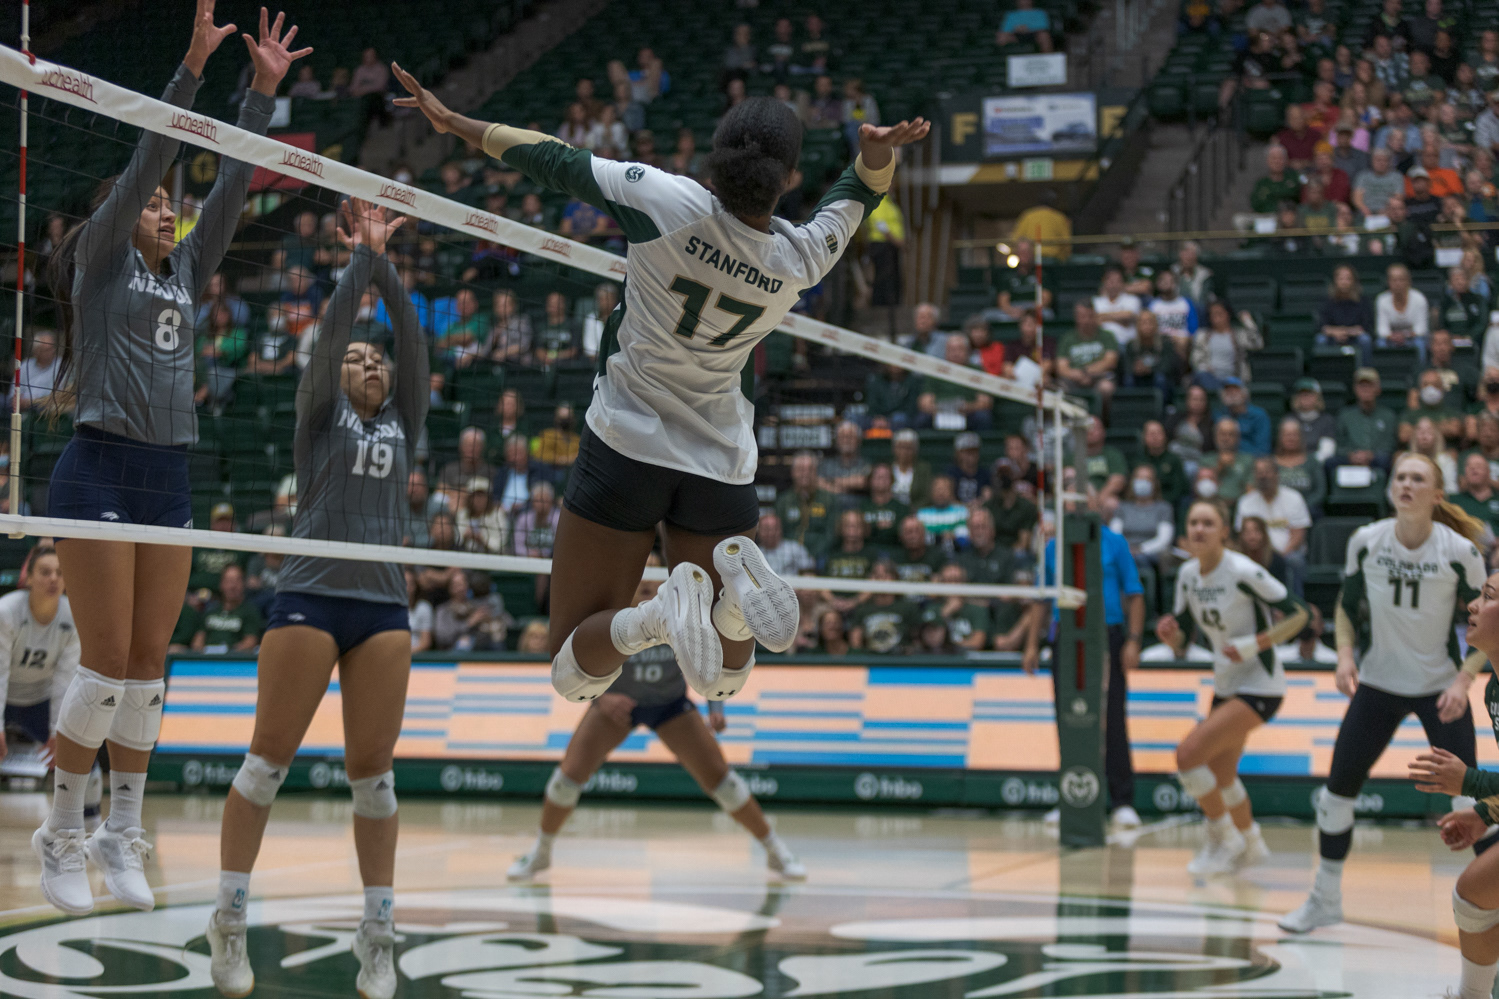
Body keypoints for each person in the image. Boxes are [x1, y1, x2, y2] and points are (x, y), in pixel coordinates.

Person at [396, 71, 929, 701]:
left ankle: (650, 619)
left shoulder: (664, 201)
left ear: (717, 155)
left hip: (626, 443)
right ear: (788, 180)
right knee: (727, 681)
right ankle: (729, 607)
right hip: (720, 461)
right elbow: (858, 194)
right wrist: (874, 148)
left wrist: (454, 122)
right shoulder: (800, 259)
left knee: (572, 672)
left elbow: (550, 158)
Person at [34, 1, 307, 919]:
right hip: (100, 467)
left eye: (164, 206)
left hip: (168, 475)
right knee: (104, 669)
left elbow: (227, 187)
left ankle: (121, 832)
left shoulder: (183, 276)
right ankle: (61, 832)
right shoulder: (100, 262)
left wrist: (260, 92)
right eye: (148, 200)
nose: (162, 207)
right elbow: (156, 156)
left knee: (149, 672)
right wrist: (191, 72)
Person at [206, 199, 424, 999]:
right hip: (308, 594)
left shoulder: (406, 416)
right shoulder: (317, 416)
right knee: (267, 764)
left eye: (378, 359)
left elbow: (415, 344)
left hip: (382, 609)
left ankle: (378, 934)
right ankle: (228, 916)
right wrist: (358, 263)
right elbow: (333, 333)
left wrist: (386, 263)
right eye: (357, 357)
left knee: (375, 777)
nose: (369, 362)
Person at [1280, 452, 1489, 933]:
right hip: (1377, 684)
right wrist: (1345, 655)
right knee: (1335, 795)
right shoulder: (1365, 541)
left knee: (1467, 802)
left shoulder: (1460, 551)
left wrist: (1463, 681)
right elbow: (1346, 607)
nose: (1407, 485)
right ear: (1390, 488)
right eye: (1400, 477)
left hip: (1440, 689)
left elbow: (1486, 626)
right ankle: (1324, 899)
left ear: (1437, 495)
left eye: (1418, 478)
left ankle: (1494, 904)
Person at [507, 568, 806, 880]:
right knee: (567, 778)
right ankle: (540, 853)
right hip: (618, 707)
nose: (647, 581)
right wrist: (601, 699)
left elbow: (710, 657)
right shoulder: (610, 613)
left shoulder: (682, 609)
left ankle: (775, 851)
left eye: (654, 573)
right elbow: (577, 658)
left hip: (671, 705)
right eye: (641, 573)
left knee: (722, 781)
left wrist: (716, 705)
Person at [1158, 500, 1308, 875]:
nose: (1199, 529)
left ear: (1225, 531)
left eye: (1208, 522)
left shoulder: (1242, 570)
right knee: (1222, 776)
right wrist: (1171, 637)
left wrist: (1256, 643)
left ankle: (1223, 836)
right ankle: (1252, 844)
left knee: (1187, 757)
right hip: (1226, 683)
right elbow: (1182, 640)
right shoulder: (1188, 575)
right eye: (1193, 522)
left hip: (1261, 684)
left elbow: (1299, 615)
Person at [1406, 567, 1499, 999]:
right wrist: (1484, 815)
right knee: (1473, 896)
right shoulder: (1494, 688)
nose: (1474, 605)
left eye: (1490, 596)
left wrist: (1472, 782)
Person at [1033, 515, 1146, 829]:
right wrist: (1032, 644)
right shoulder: (1054, 547)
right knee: (1068, 718)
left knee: (1111, 717)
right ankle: (1073, 796)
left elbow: (1134, 594)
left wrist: (1133, 641)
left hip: (1106, 635)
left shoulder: (1114, 542)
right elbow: (1041, 600)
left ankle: (1122, 801)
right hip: (1067, 637)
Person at [0, 547, 96, 825]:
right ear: (28, 578)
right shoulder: (6, 612)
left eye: (60, 573)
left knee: (81, 744)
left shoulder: (73, 615)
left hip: (39, 699)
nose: (53, 579)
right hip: (5, 696)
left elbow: (65, 678)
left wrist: (58, 729)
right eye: (45, 572)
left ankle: (89, 826)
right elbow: (0, 672)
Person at [1235, 457, 1311, 595]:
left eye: (1267, 471)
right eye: (1259, 472)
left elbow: (1298, 534)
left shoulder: (1294, 498)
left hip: (1287, 553)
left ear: (1277, 474)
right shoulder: (1245, 502)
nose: (1263, 476)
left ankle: (1296, 606)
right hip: (1256, 553)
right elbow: (1243, 535)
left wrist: (1279, 556)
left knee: (1294, 561)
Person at [1111, 465, 1175, 570]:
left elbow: (1164, 540)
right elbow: (1115, 534)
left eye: (1147, 479)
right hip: (1124, 552)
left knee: (1140, 560)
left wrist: (1141, 550)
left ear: (1155, 483)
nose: (1142, 482)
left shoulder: (1163, 508)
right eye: (1139, 478)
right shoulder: (1123, 508)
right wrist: (1127, 550)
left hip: (1152, 555)